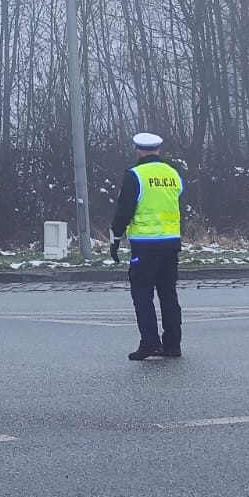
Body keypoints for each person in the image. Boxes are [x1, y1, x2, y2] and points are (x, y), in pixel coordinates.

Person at [110, 132, 183, 361]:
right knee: (168, 294)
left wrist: (115, 238)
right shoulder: (173, 174)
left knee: (142, 294)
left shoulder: (135, 175)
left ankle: (150, 342)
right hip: (171, 243)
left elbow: (125, 210)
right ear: (159, 151)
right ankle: (173, 344)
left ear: (138, 150)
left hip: (145, 244)